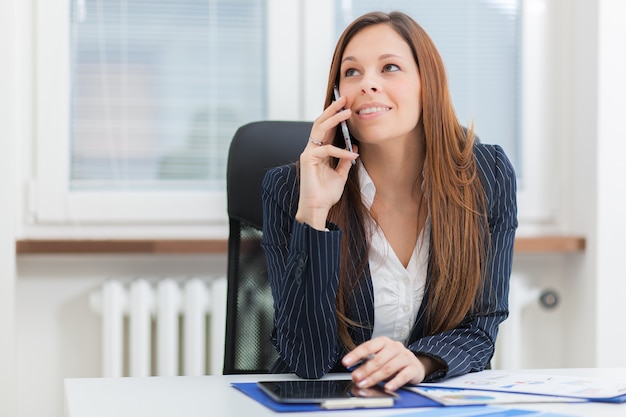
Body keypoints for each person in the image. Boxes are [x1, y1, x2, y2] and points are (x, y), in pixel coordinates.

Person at [261, 10, 517, 392]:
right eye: (352, 72)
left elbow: (481, 328)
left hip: (433, 399)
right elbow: (306, 359)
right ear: (336, 97)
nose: (368, 84)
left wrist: (421, 362)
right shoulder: (289, 188)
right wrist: (314, 211)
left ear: (427, 83)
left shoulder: (487, 175)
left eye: (390, 67)